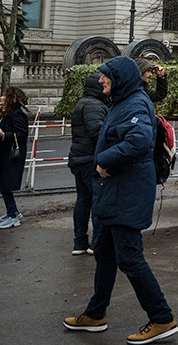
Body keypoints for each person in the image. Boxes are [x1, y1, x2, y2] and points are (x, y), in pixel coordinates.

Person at [64, 56, 178, 343]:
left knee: (129, 258)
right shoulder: (122, 101)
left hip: (125, 196)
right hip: (113, 194)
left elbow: (139, 142)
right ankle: (95, 314)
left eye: (106, 76)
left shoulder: (135, 103)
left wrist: (103, 160)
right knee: (104, 252)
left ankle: (162, 318)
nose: (101, 80)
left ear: (120, 79)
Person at [69, 72, 109, 255]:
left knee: (83, 201)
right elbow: (97, 131)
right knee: (98, 201)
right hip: (90, 160)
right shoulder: (94, 105)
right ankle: (96, 242)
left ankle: (80, 242)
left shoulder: (83, 102)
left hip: (79, 159)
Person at [0, 85, 28, 229]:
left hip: (11, 156)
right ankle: (12, 211)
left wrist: (3, 135)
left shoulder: (17, 114)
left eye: (4, 96)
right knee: (4, 185)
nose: (1, 98)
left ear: (11, 99)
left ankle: (13, 215)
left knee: (6, 185)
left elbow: (22, 134)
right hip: (3, 154)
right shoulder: (6, 113)